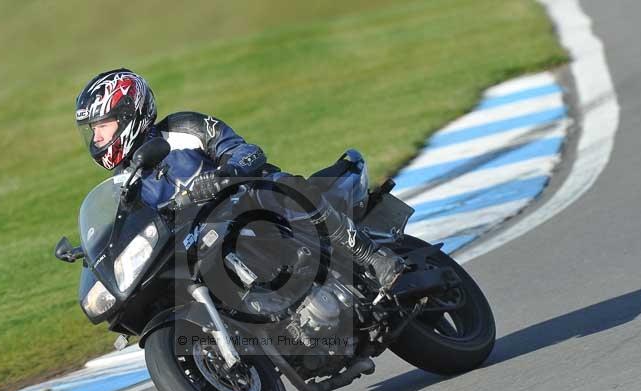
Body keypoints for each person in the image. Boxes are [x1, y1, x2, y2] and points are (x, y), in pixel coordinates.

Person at [75, 68, 404, 293]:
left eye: (102, 126)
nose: (98, 137)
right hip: (207, 240)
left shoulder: (183, 128)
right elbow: (134, 228)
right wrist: (99, 248)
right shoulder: (125, 182)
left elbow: (247, 152)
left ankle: (371, 256)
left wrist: (224, 175)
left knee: (285, 187)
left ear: (129, 114)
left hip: (250, 201)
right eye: (94, 130)